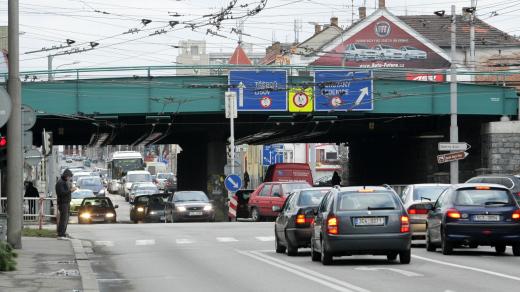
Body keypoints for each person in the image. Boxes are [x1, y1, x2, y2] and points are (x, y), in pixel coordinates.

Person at [55, 169, 76, 239]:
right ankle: (61, 234)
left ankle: (62, 233)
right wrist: (70, 190)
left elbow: (65, 192)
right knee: (63, 219)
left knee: (65, 219)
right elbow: (62, 193)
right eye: (69, 176)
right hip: (63, 203)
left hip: (66, 202)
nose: (69, 178)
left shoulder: (63, 182)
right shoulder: (61, 183)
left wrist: (70, 189)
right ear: (66, 176)